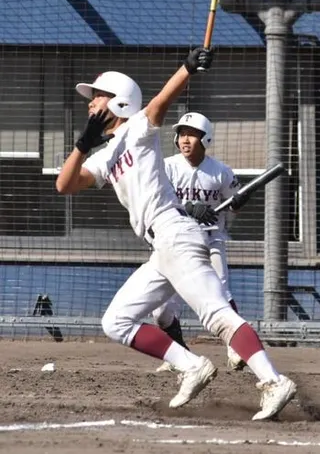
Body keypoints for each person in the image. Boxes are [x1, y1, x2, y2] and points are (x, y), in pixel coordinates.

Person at [56, 47, 297, 420]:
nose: (91, 104)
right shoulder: (104, 154)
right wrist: (82, 143)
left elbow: (158, 105)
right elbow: (65, 185)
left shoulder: (137, 127)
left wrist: (186, 69)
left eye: (97, 97)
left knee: (218, 316)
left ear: (119, 103)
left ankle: (273, 381)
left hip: (175, 233)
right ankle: (190, 365)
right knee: (116, 321)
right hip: (161, 247)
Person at [153, 112, 245, 372]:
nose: (185, 139)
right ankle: (179, 355)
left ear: (206, 139)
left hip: (210, 239)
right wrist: (190, 208)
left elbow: (235, 204)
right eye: (182, 134)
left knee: (221, 291)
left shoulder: (221, 172)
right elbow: (160, 201)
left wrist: (239, 202)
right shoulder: (168, 166)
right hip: (173, 241)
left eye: (191, 134)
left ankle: (236, 347)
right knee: (161, 311)